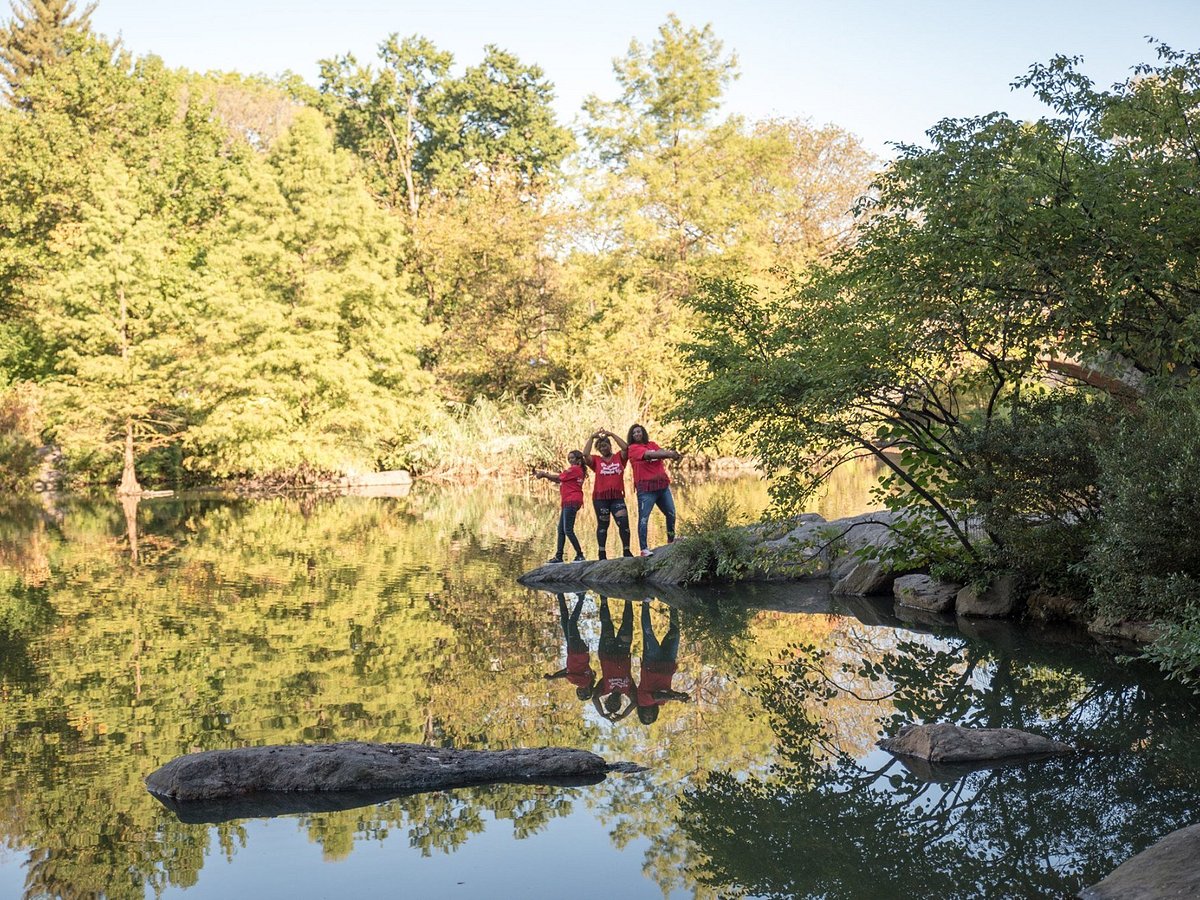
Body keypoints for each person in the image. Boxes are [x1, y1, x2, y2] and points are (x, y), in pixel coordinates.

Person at [625, 423, 683, 557]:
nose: (637, 434)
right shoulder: (633, 449)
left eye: (639, 431)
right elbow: (649, 456)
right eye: (634, 433)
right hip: (646, 489)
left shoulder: (652, 444)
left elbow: (659, 452)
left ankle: (671, 539)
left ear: (643, 433)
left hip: (662, 486)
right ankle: (644, 548)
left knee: (671, 513)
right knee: (644, 518)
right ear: (631, 436)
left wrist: (668, 454)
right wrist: (670, 454)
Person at [582, 429, 633, 560]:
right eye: (601, 447)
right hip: (600, 498)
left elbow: (626, 448)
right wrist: (592, 437)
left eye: (605, 445)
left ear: (610, 445)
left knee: (623, 523)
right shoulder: (596, 461)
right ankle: (602, 553)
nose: (604, 448)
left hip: (617, 497)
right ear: (598, 450)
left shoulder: (619, 458)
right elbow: (585, 454)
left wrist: (612, 434)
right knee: (603, 524)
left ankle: (627, 551)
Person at [636, 601, 689, 725]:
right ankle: (673, 604)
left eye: (645, 717)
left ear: (641, 712)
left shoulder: (642, 701)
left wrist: (676, 698)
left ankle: (645, 603)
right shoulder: (662, 702)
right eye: (650, 718)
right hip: (667, 663)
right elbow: (667, 693)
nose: (648, 715)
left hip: (651, 662)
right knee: (675, 632)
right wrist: (681, 696)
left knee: (648, 632)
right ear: (655, 714)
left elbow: (657, 695)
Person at [532, 450, 587, 563]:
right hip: (568, 501)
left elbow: (558, 478)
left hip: (571, 501)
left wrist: (544, 474)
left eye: (572, 458)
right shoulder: (575, 471)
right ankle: (559, 556)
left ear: (579, 460)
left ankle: (580, 555)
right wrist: (544, 475)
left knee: (568, 530)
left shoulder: (575, 469)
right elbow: (559, 479)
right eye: (569, 458)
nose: (570, 460)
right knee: (561, 529)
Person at [544, 592, 595, 700]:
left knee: (565, 621)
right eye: (582, 693)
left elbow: (567, 671)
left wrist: (554, 675)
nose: (580, 692)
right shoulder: (583, 682)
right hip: (577, 652)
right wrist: (553, 678)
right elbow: (567, 675)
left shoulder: (587, 679)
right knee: (571, 623)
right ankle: (581, 597)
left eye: (579, 694)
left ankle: (560, 594)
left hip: (575, 652)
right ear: (587, 690)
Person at [593, 596, 636, 722]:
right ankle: (629, 599)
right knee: (627, 624)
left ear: (606, 700)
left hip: (607, 652)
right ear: (620, 704)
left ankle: (604, 599)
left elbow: (594, 698)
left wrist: (602, 714)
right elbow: (634, 703)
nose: (613, 703)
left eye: (609, 705)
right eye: (616, 706)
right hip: (623, 652)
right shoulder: (628, 690)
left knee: (607, 624)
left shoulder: (605, 689)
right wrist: (622, 715)